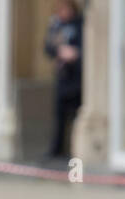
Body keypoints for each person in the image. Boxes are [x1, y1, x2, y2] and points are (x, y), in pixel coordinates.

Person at [43, 0, 82, 160]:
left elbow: (84, 47)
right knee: (59, 115)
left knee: (75, 114)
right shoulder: (56, 25)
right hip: (62, 76)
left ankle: (74, 150)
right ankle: (56, 149)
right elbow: (48, 47)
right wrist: (58, 49)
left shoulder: (79, 24)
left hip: (77, 77)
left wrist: (75, 54)